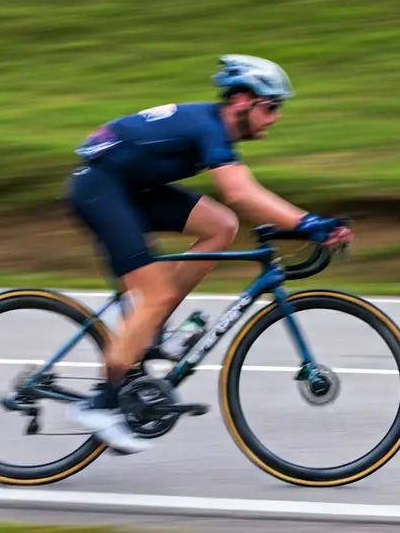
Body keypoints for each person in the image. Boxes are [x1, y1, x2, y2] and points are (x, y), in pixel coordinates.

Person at [63, 54, 354, 454]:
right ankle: (102, 403)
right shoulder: (209, 128)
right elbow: (240, 190)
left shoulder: (212, 127)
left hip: (128, 187)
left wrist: (301, 223)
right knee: (156, 293)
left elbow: (238, 200)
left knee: (221, 226)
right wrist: (307, 223)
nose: (275, 118)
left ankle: (148, 327)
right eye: (270, 107)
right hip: (99, 187)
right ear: (240, 102)